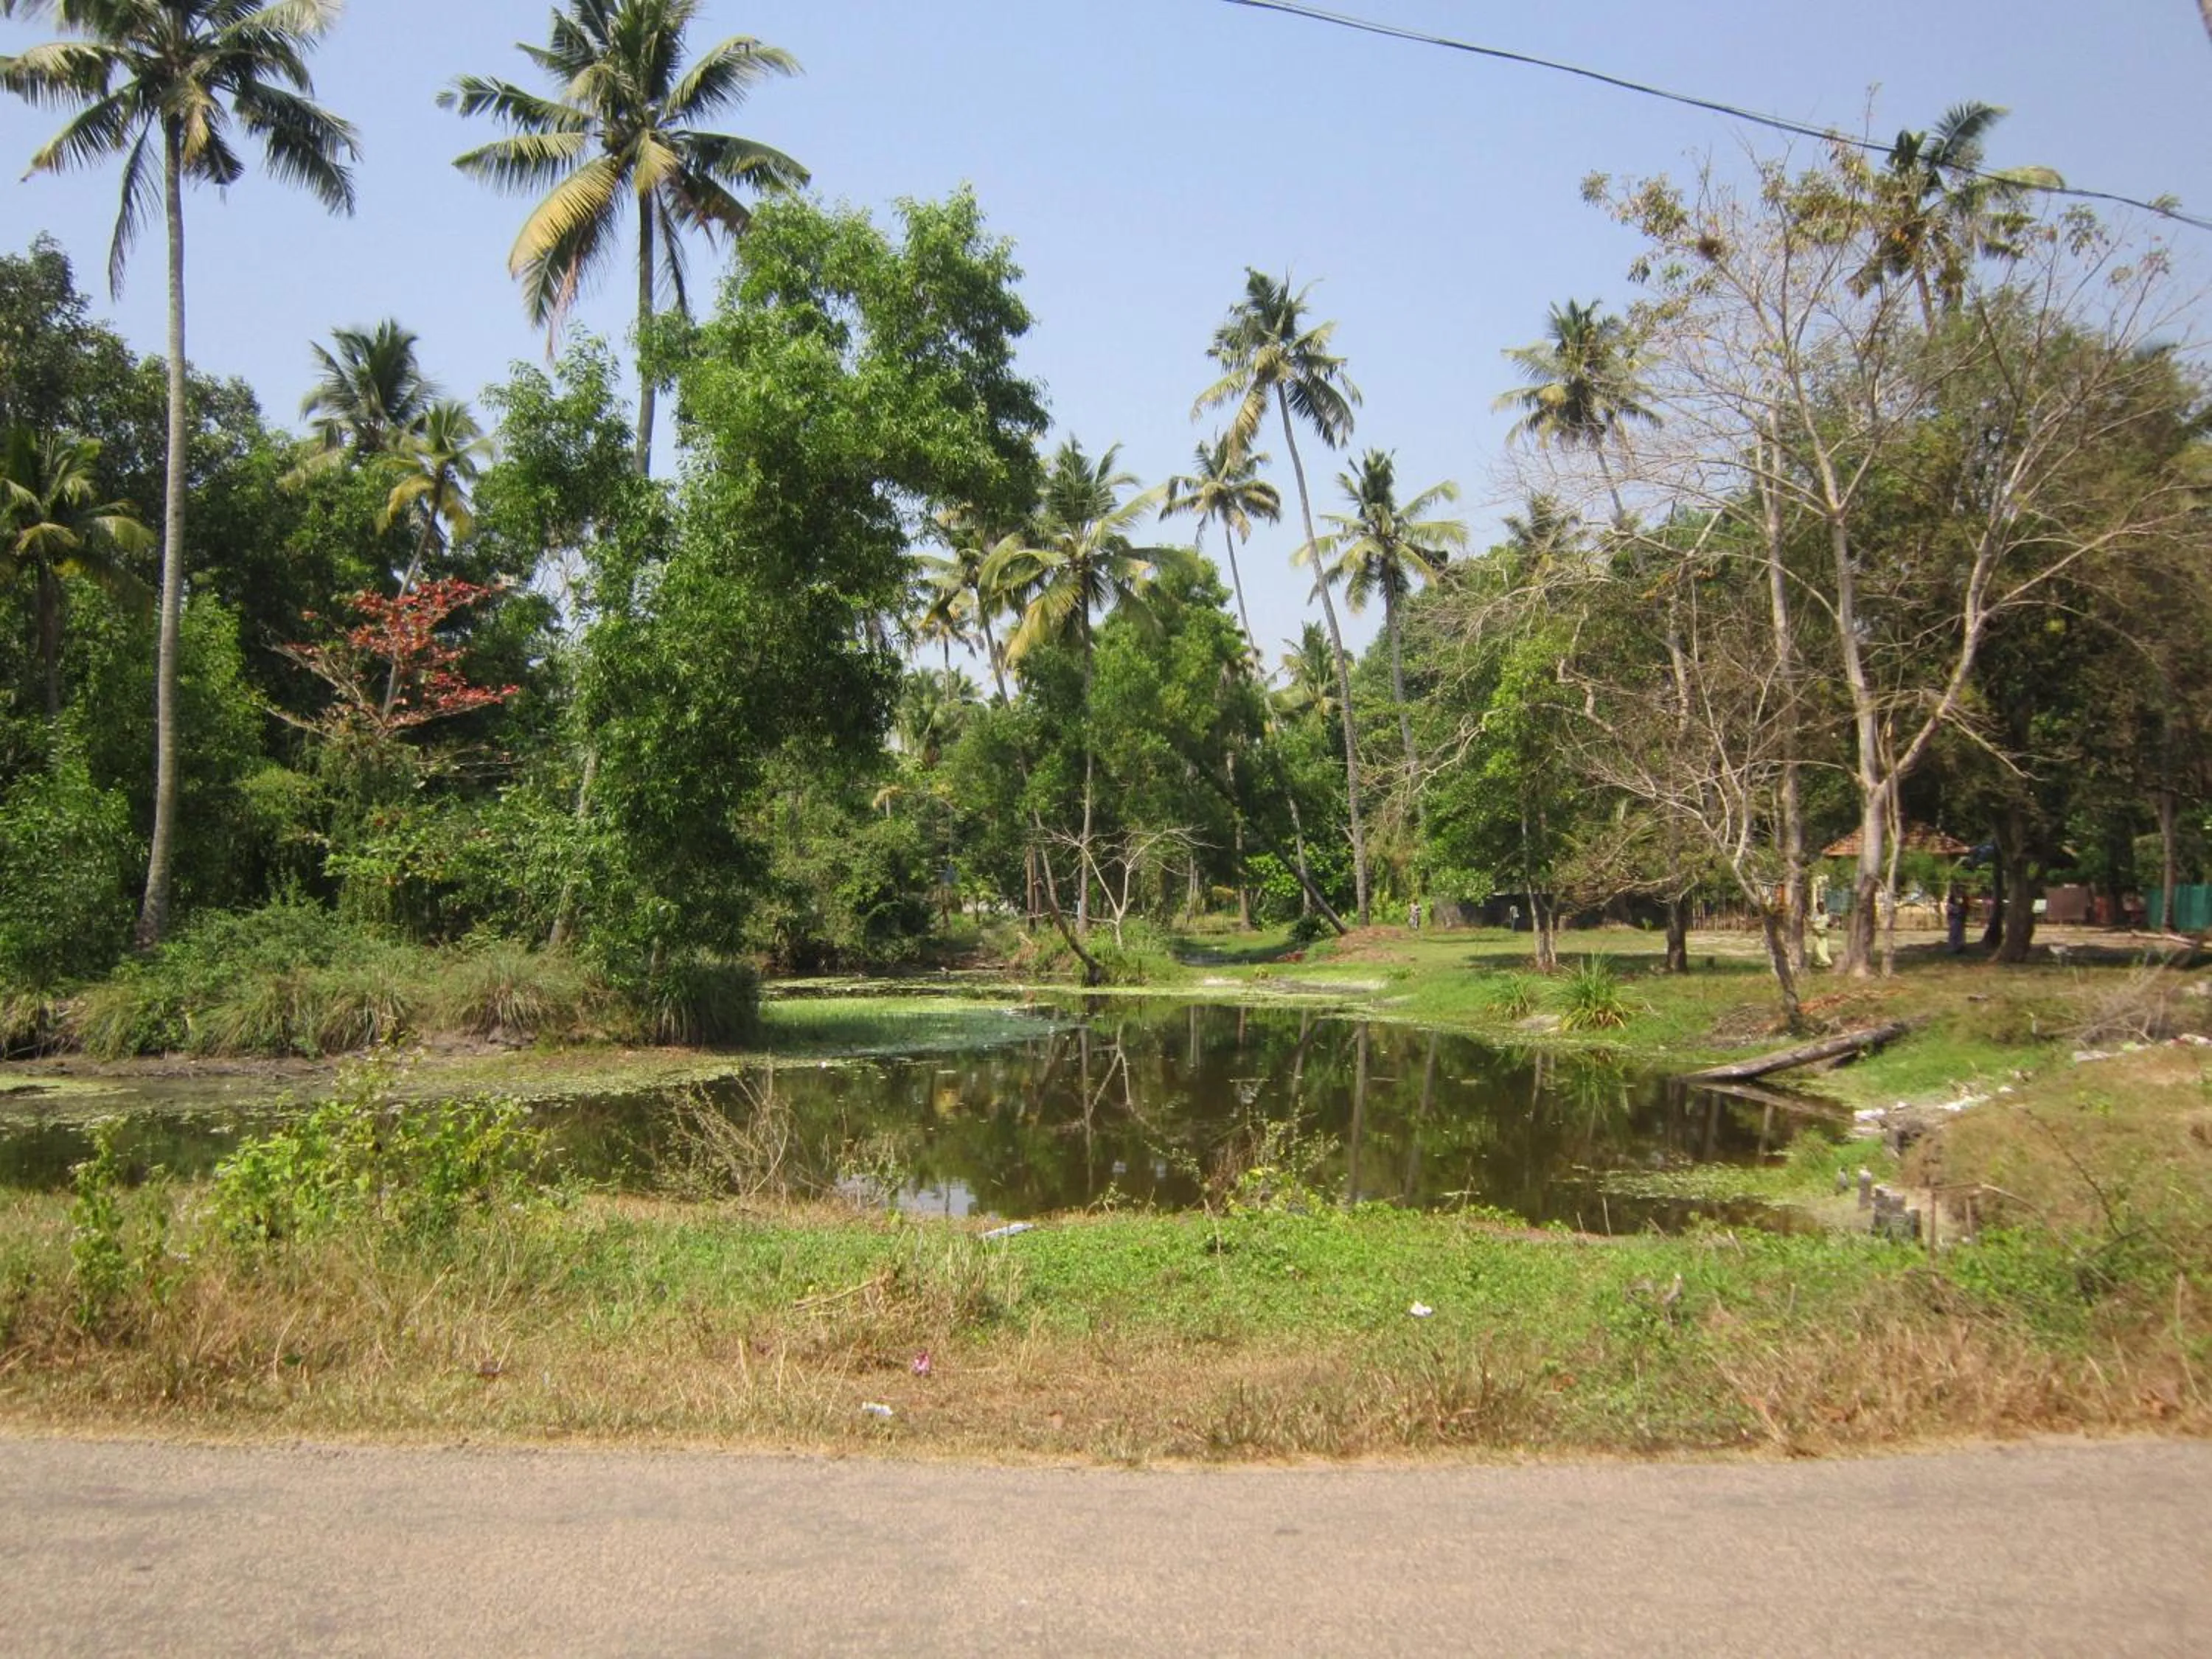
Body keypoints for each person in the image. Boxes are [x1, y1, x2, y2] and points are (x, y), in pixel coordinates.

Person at [1809, 897, 1833, 970]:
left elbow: (1829, 924)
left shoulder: (1827, 914)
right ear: (1817, 908)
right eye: (1819, 907)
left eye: (1822, 907)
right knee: (1816, 949)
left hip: (1823, 934)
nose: (1821, 908)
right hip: (1816, 933)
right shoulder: (1815, 914)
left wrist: (1831, 924)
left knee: (1823, 949)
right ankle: (1816, 963)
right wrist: (1814, 929)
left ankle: (1827, 963)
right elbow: (1811, 923)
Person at [1945, 883, 1969, 955]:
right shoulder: (1952, 898)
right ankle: (1955, 947)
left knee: (1958, 933)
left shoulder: (1962, 898)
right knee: (1954, 933)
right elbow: (1950, 908)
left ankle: (1958, 947)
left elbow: (1964, 907)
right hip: (1954, 917)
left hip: (1959, 917)